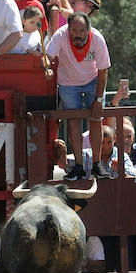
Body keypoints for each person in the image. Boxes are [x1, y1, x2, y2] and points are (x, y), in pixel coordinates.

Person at [45, 12, 111, 180]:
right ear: (68, 29)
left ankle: (97, 165)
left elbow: (103, 70)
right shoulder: (61, 35)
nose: (78, 34)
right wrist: (46, 67)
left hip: (93, 80)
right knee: (74, 120)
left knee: (96, 119)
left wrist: (98, 100)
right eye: (74, 30)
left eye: (82, 30)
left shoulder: (97, 39)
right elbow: (47, 56)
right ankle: (79, 167)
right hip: (68, 83)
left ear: (88, 29)